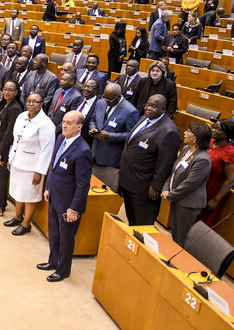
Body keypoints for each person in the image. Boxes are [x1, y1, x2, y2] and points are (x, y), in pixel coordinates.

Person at [39, 111, 93, 282]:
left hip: (68, 204)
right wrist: (48, 187)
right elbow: (53, 167)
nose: (64, 125)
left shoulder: (83, 151)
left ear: (79, 127)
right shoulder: (62, 139)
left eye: (69, 123)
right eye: (63, 122)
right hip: (55, 196)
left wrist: (74, 209)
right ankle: (53, 261)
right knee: (54, 233)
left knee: (66, 239)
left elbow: (83, 184)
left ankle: (63, 270)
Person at [119, 94, 182, 225]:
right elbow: (131, 145)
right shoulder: (143, 118)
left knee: (142, 222)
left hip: (144, 186)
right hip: (130, 179)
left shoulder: (169, 131)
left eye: (154, 106)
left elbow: (165, 162)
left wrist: (156, 186)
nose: (148, 108)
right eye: (147, 105)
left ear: (163, 109)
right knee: (131, 218)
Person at [5, 92, 56, 235]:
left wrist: (39, 172)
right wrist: (10, 159)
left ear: (42, 103)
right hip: (17, 162)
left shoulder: (46, 124)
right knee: (18, 192)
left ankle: (26, 224)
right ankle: (17, 217)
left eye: (35, 101)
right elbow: (15, 140)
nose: (31, 104)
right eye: (29, 101)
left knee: (30, 196)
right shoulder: (22, 116)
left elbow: (47, 150)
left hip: (32, 167)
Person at [160, 123, 212, 245]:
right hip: (177, 198)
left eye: (188, 131)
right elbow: (174, 171)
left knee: (184, 238)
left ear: (196, 138)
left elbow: (190, 184)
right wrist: (165, 188)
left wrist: (170, 194)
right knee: (175, 234)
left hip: (188, 203)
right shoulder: (185, 150)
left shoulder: (203, 159)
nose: (184, 133)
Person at [0, 80, 25, 217]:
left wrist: (0, 152)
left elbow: (9, 133)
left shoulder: (15, 108)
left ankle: (1, 206)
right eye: (5, 89)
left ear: (16, 92)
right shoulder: (4, 103)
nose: (7, 92)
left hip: (6, 148)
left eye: (10, 90)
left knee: (2, 177)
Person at [89, 83, 139, 187]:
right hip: (94, 153)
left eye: (109, 100)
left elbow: (131, 136)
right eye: (105, 97)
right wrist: (92, 128)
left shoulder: (130, 111)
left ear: (119, 96)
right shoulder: (100, 103)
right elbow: (93, 119)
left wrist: (110, 136)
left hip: (110, 159)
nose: (106, 102)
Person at [199, 121, 234, 226]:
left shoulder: (229, 152)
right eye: (213, 127)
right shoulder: (209, 142)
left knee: (201, 226)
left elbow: (230, 179)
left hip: (211, 193)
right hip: (198, 188)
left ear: (226, 134)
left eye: (218, 129)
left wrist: (215, 199)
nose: (213, 130)